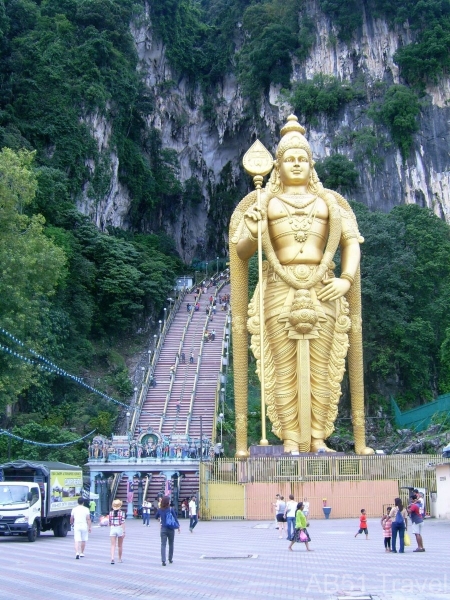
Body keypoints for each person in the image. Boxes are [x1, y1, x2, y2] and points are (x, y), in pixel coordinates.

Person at [230, 114, 373, 456]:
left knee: (323, 368)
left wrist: (345, 279)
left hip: (324, 286)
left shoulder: (332, 204)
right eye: (290, 159)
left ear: (312, 164)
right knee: (283, 366)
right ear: (277, 165)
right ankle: (291, 439)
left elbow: (350, 242)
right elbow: (242, 250)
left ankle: (319, 438)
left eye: (302, 159)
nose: (296, 164)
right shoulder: (263, 202)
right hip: (279, 287)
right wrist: (252, 228)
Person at [156, 495, 180, 565]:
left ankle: (163, 560)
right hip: (171, 529)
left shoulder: (160, 509)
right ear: (167, 502)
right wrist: (178, 526)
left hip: (163, 528)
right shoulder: (171, 509)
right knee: (171, 544)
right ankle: (170, 559)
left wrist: (160, 518)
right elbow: (175, 518)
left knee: (163, 544)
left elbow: (156, 516)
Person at [109, 499, 126, 564]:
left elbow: (109, 523)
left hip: (113, 528)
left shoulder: (110, 513)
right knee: (120, 545)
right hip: (119, 528)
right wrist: (124, 531)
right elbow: (123, 523)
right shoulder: (122, 513)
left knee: (113, 545)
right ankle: (119, 558)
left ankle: (112, 558)